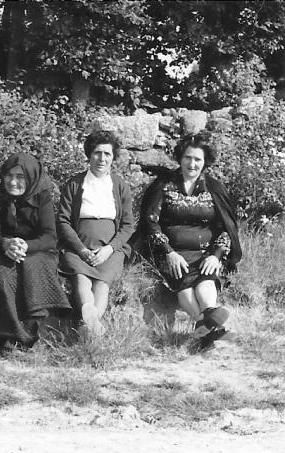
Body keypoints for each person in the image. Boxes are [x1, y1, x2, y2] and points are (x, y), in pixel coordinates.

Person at [136, 131, 242, 347]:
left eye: (197, 159)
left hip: (205, 253)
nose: (192, 164)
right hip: (171, 253)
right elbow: (150, 222)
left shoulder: (214, 188)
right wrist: (169, 253)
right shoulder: (164, 185)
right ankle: (211, 327)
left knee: (206, 281)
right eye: (188, 158)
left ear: (205, 161)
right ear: (180, 158)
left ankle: (207, 321)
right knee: (184, 287)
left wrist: (215, 255)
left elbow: (226, 228)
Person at [0, 153, 71, 357]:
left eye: (20, 177)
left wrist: (26, 245)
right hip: (1, 247)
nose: (13, 182)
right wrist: (5, 244)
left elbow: (49, 236)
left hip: (35, 249)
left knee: (31, 269)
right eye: (9, 176)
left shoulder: (42, 196)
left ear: (31, 177)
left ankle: (24, 339)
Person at [57, 131, 134, 337]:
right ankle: (92, 321)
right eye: (97, 153)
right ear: (89, 155)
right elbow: (63, 220)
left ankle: (91, 322)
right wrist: (81, 250)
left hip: (109, 249)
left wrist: (109, 249)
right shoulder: (75, 184)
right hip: (78, 247)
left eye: (107, 154)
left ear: (113, 157)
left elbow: (128, 225)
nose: (102, 159)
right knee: (80, 277)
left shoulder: (119, 186)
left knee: (102, 282)